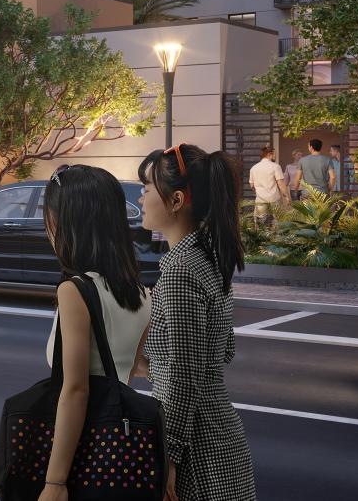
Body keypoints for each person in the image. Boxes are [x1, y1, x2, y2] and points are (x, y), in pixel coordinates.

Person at [137, 144, 255, 501]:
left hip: (196, 450)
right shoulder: (208, 258)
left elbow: (185, 374)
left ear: (175, 200)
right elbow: (223, 351)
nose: (141, 198)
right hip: (221, 438)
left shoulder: (179, 272)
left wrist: (169, 455)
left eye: (145, 188)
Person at [38, 164, 152, 501]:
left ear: (63, 222)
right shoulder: (142, 293)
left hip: (76, 452)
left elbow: (76, 391)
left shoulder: (75, 291)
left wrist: (55, 483)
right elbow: (127, 371)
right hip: (115, 448)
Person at [248, 146, 289, 227]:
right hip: (274, 198)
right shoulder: (275, 166)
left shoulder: (254, 168)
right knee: (277, 222)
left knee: (261, 224)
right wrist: (286, 196)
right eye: (274, 154)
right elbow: (280, 183)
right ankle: (276, 239)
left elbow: (252, 185)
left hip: (260, 199)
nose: (275, 156)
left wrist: (258, 192)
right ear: (270, 154)